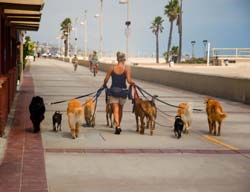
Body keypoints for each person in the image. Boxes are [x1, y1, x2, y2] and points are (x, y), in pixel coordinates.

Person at [103, 51, 135, 134]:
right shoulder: (127, 69)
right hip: (123, 92)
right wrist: (132, 83)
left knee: (115, 110)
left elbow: (106, 79)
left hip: (113, 91)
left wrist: (104, 85)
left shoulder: (112, 68)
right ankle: (119, 124)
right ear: (124, 60)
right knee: (120, 109)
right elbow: (128, 80)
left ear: (117, 59)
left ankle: (117, 125)